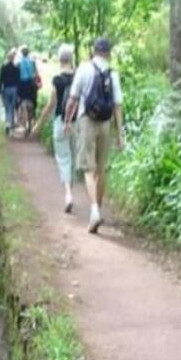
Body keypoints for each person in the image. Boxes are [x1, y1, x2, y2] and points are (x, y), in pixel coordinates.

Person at [64, 38, 123, 234]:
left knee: (88, 169)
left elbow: (73, 98)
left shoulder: (84, 69)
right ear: (108, 53)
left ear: (94, 51)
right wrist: (120, 134)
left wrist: (67, 121)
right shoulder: (113, 74)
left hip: (86, 121)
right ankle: (97, 208)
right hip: (106, 123)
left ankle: (94, 210)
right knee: (101, 169)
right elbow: (117, 105)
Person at [32, 44, 77, 213]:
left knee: (64, 158)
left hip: (60, 122)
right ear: (71, 59)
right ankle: (70, 190)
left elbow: (51, 105)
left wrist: (39, 124)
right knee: (72, 158)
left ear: (60, 59)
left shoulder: (57, 80)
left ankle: (68, 194)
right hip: (77, 123)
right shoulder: (78, 77)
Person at [0, 48, 20, 135]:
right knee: (12, 108)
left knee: (7, 108)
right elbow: (18, 81)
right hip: (14, 90)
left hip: (6, 89)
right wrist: (19, 92)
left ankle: (7, 123)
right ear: (13, 58)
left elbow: (1, 80)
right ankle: (11, 125)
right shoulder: (16, 68)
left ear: (7, 58)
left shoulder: (4, 67)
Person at [17, 46, 39, 134]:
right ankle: (30, 121)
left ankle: (23, 121)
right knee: (33, 102)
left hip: (22, 84)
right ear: (28, 53)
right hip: (31, 83)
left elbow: (18, 74)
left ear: (22, 53)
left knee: (21, 102)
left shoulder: (19, 63)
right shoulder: (32, 62)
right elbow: (36, 73)